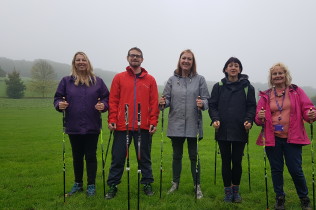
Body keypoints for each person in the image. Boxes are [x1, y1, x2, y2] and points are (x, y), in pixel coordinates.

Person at [255, 62, 316, 210]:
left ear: (285, 75)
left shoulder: (296, 92)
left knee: (295, 169)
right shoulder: (266, 95)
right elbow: (258, 119)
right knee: (276, 170)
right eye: (274, 74)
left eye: (280, 73)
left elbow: (309, 109)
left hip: (293, 137)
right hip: (273, 138)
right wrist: (260, 116)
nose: (277, 76)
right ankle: (280, 198)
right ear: (271, 77)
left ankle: (304, 198)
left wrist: (312, 114)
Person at [105, 47, 159, 199]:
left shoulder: (150, 80)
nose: (135, 58)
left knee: (144, 158)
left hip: (143, 127)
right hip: (123, 126)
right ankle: (113, 186)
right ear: (127, 58)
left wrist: (153, 121)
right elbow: (113, 101)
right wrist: (112, 119)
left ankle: (147, 184)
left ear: (142, 59)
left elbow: (154, 102)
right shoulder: (119, 78)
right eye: (132, 55)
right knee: (118, 157)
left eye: (138, 56)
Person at [54, 51, 109, 197]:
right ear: (74, 63)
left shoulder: (98, 81)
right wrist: (60, 104)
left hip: (92, 126)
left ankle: (91, 185)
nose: (81, 62)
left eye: (83, 59)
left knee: (91, 156)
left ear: (88, 62)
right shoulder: (66, 81)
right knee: (77, 156)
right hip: (73, 126)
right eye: (78, 60)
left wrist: (103, 105)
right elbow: (57, 98)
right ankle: (78, 184)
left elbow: (106, 98)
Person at [159, 49, 210, 199]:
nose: (186, 61)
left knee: (194, 156)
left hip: (194, 123)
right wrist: (163, 103)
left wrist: (202, 103)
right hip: (176, 124)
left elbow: (207, 99)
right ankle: (175, 183)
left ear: (193, 62)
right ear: (179, 60)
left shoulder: (200, 79)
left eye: (189, 59)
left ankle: (197, 186)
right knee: (177, 155)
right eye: (184, 58)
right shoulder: (172, 80)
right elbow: (166, 99)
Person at [208, 57, 256, 203]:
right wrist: (215, 119)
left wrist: (249, 120)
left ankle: (236, 191)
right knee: (225, 161)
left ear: (240, 69)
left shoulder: (248, 88)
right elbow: (213, 105)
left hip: (240, 130)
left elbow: (251, 107)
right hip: (222, 130)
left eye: (236, 65)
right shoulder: (219, 86)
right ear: (225, 69)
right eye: (230, 65)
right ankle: (227, 192)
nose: (233, 68)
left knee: (236, 162)